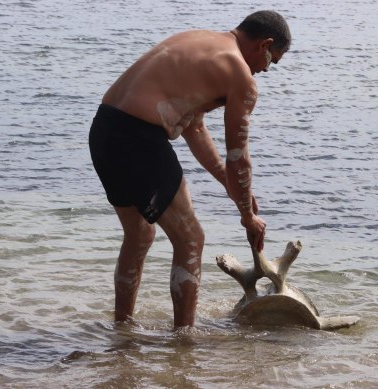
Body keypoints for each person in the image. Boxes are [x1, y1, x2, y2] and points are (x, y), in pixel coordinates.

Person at [89, 10, 291, 327]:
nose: (265, 69)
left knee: (139, 234)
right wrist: (247, 215)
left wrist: (230, 186)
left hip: (104, 130)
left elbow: (193, 127)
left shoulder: (200, 42)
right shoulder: (240, 73)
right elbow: (238, 156)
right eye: (271, 61)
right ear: (265, 44)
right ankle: (183, 342)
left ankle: (122, 329)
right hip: (137, 139)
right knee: (191, 239)